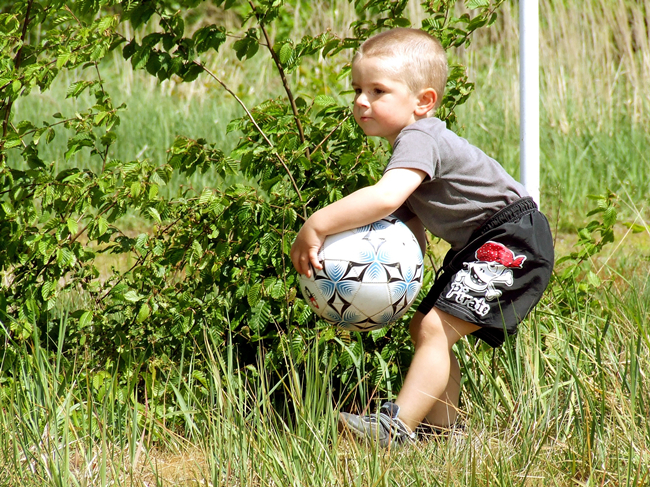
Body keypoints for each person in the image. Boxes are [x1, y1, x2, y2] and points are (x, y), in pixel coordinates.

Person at [290, 28, 554, 448]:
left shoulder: (420, 137)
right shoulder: (410, 145)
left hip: (512, 237)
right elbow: (404, 232)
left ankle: (396, 427)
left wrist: (316, 225)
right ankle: (446, 434)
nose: (361, 101)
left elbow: (384, 199)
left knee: (434, 329)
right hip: (486, 242)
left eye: (378, 91)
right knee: (424, 327)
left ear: (423, 101)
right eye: (357, 89)